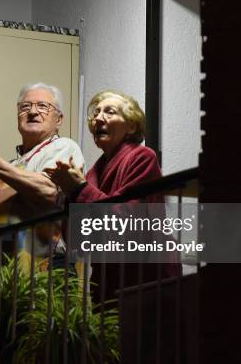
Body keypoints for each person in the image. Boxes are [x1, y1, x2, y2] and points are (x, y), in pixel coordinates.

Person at [44, 89, 179, 296]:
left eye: (110, 112)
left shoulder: (142, 157)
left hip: (146, 278)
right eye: (96, 113)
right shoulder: (92, 173)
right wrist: (69, 193)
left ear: (131, 125)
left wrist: (79, 189)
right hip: (107, 283)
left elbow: (127, 223)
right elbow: (77, 243)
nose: (98, 118)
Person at [0, 82, 85, 271]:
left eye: (42, 106)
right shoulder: (10, 165)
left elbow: (49, 193)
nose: (32, 112)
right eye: (25, 106)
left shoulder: (63, 146)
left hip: (41, 273)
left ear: (59, 119)